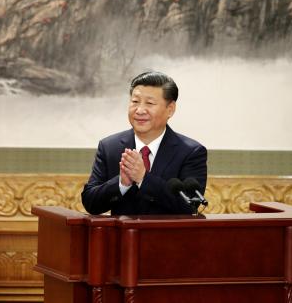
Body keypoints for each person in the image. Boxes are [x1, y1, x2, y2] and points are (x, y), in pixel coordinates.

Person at [81, 71, 207, 215]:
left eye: (150, 103)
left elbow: (189, 206)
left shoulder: (191, 152)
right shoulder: (109, 147)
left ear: (170, 109)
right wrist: (122, 183)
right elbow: (90, 203)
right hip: (122, 237)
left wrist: (143, 178)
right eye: (135, 102)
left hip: (169, 237)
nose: (140, 110)